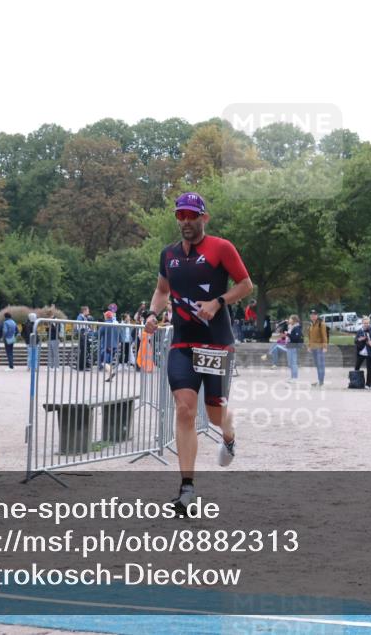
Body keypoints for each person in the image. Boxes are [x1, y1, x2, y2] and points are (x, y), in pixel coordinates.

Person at [145, 191, 252, 510]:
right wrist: (152, 313)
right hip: (181, 342)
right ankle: (187, 488)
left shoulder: (221, 248)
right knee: (185, 409)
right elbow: (162, 290)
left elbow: (246, 285)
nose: (186, 221)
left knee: (216, 413)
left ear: (204, 218)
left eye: (192, 215)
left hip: (216, 344)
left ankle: (229, 434)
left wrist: (218, 302)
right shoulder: (168, 254)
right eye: (180, 215)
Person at [354, 316, 371, 389]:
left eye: (367, 323)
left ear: (369, 323)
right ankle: (356, 382)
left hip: (369, 352)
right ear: (362, 323)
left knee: (369, 368)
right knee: (357, 367)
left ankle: (368, 385)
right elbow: (355, 340)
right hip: (361, 352)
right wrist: (360, 339)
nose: (366, 324)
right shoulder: (360, 331)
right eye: (364, 323)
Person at [307, 309, 329, 388]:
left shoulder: (321, 324)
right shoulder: (311, 324)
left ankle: (321, 382)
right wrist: (309, 346)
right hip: (313, 347)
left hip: (320, 347)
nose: (313, 316)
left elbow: (324, 336)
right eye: (311, 314)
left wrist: (325, 347)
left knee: (321, 365)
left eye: (314, 314)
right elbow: (310, 337)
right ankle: (320, 380)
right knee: (317, 365)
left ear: (317, 315)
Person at [285, 314, 304, 383]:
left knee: (293, 363)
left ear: (294, 320)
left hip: (293, 347)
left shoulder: (297, 328)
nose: (289, 320)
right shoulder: (291, 327)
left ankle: (295, 377)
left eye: (290, 319)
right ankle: (292, 377)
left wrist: (288, 334)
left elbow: (296, 338)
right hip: (289, 346)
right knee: (290, 363)